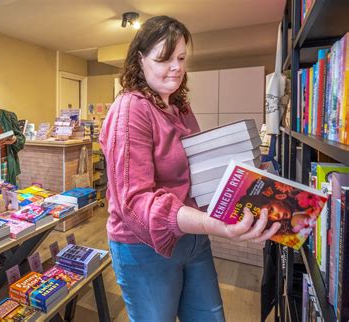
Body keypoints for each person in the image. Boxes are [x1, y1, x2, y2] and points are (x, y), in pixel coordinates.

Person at [99, 16, 281, 322]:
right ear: (140, 60)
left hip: (191, 237)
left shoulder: (180, 107)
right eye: (164, 58)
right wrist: (216, 224)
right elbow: (135, 203)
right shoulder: (131, 109)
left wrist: (247, 175)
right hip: (144, 248)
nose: (176, 67)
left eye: (181, 58)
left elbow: (195, 168)